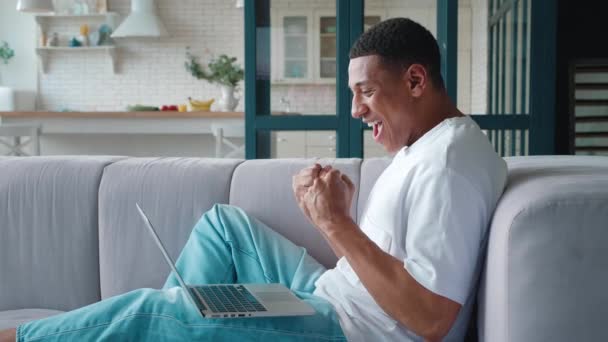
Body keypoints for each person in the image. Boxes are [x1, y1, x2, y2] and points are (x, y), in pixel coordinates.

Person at [0, 17, 507, 342]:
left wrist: (334, 225)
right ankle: (184, 328)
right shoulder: (434, 143)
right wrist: (342, 214)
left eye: (367, 92)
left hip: (348, 329)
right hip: (338, 294)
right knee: (225, 225)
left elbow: (431, 318)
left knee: (152, 310)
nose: (356, 109)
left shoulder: (448, 166)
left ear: (415, 80)